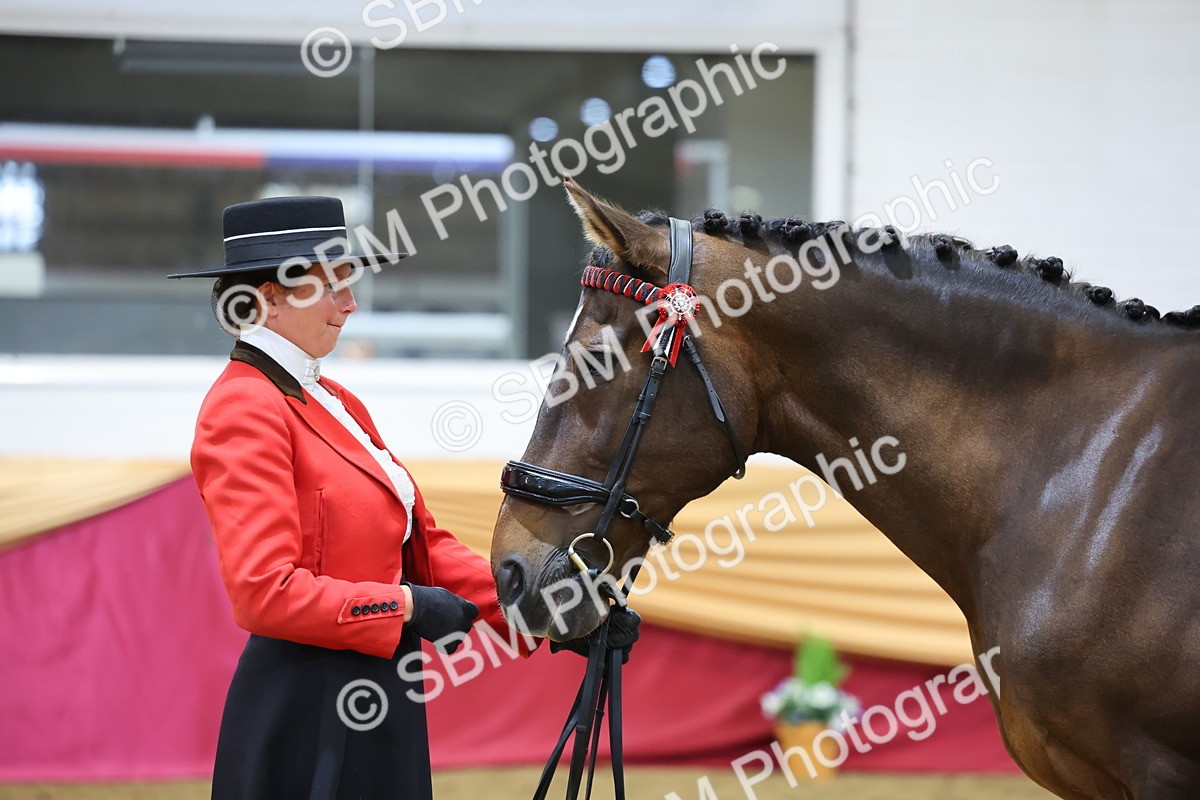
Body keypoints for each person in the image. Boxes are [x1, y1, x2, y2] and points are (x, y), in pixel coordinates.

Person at [169, 195, 544, 800]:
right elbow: (264, 592)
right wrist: (406, 607)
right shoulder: (242, 406)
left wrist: (545, 608)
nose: (351, 303)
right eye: (333, 285)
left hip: (378, 683)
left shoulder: (335, 398)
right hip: (308, 699)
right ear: (267, 298)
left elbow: (424, 544)